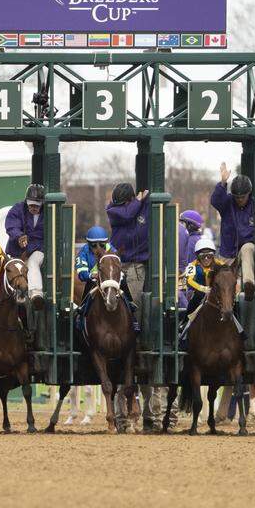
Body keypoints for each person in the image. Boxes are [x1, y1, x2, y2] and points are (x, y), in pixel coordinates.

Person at [105, 183, 154, 428]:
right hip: (118, 264)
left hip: (137, 266)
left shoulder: (141, 206)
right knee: (109, 302)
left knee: (134, 306)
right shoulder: (115, 210)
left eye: (124, 202)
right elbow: (127, 214)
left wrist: (144, 200)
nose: (123, 206)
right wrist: (139, 200)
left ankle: (136, 335)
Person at [72, 226, 138, 332]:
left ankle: (131, 307)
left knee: (122, 279)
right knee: (88, 290)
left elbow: (116, 264)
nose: (98, 248)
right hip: (94, 281)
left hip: (109, 279)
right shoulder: (83, 253)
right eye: (94, 245)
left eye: (101, 244)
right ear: (89, 244)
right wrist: (91, 275)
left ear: (105, 243)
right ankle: (82, 312)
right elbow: (82, 274)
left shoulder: (111, 249)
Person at [181, 238, 246, 338]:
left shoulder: (220, 264)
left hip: (216, 293)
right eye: (203, 256)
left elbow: (227, 276)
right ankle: (185, 325)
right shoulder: (192, 266)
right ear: (198, 257)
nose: (206, 259)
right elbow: (189, 280)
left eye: (209, 256)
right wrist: (202, 288)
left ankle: (238, 328)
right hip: (200, 293)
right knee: (193, 302)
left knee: (230, 303)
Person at [211, 163, 255, 296]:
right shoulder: (228, 202)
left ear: (249, 194)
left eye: (243, 197)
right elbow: (215, 200)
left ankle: (249, 284)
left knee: (247, 248)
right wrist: (223, 182)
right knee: (224, 283)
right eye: (237, 197)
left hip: (246, 251)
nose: (240, 200)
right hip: (228, 251)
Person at [5, 184, 46, 308]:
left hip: (38, 249)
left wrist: (28, 250)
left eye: (36, 205)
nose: (33, 207)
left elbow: (45, 236)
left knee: (33, 262)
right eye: (31, 204)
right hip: (17, 251)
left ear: (42, 203)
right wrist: (19, 236)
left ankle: (36, 293)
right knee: (11, 270)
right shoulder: (18, 209)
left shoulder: (48, 212)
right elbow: (11, 226)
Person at [177, 210, 205, 309]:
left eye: (183, 222)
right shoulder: (199, 239)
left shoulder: (191, 241)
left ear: (190, 226)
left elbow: (186, 264)